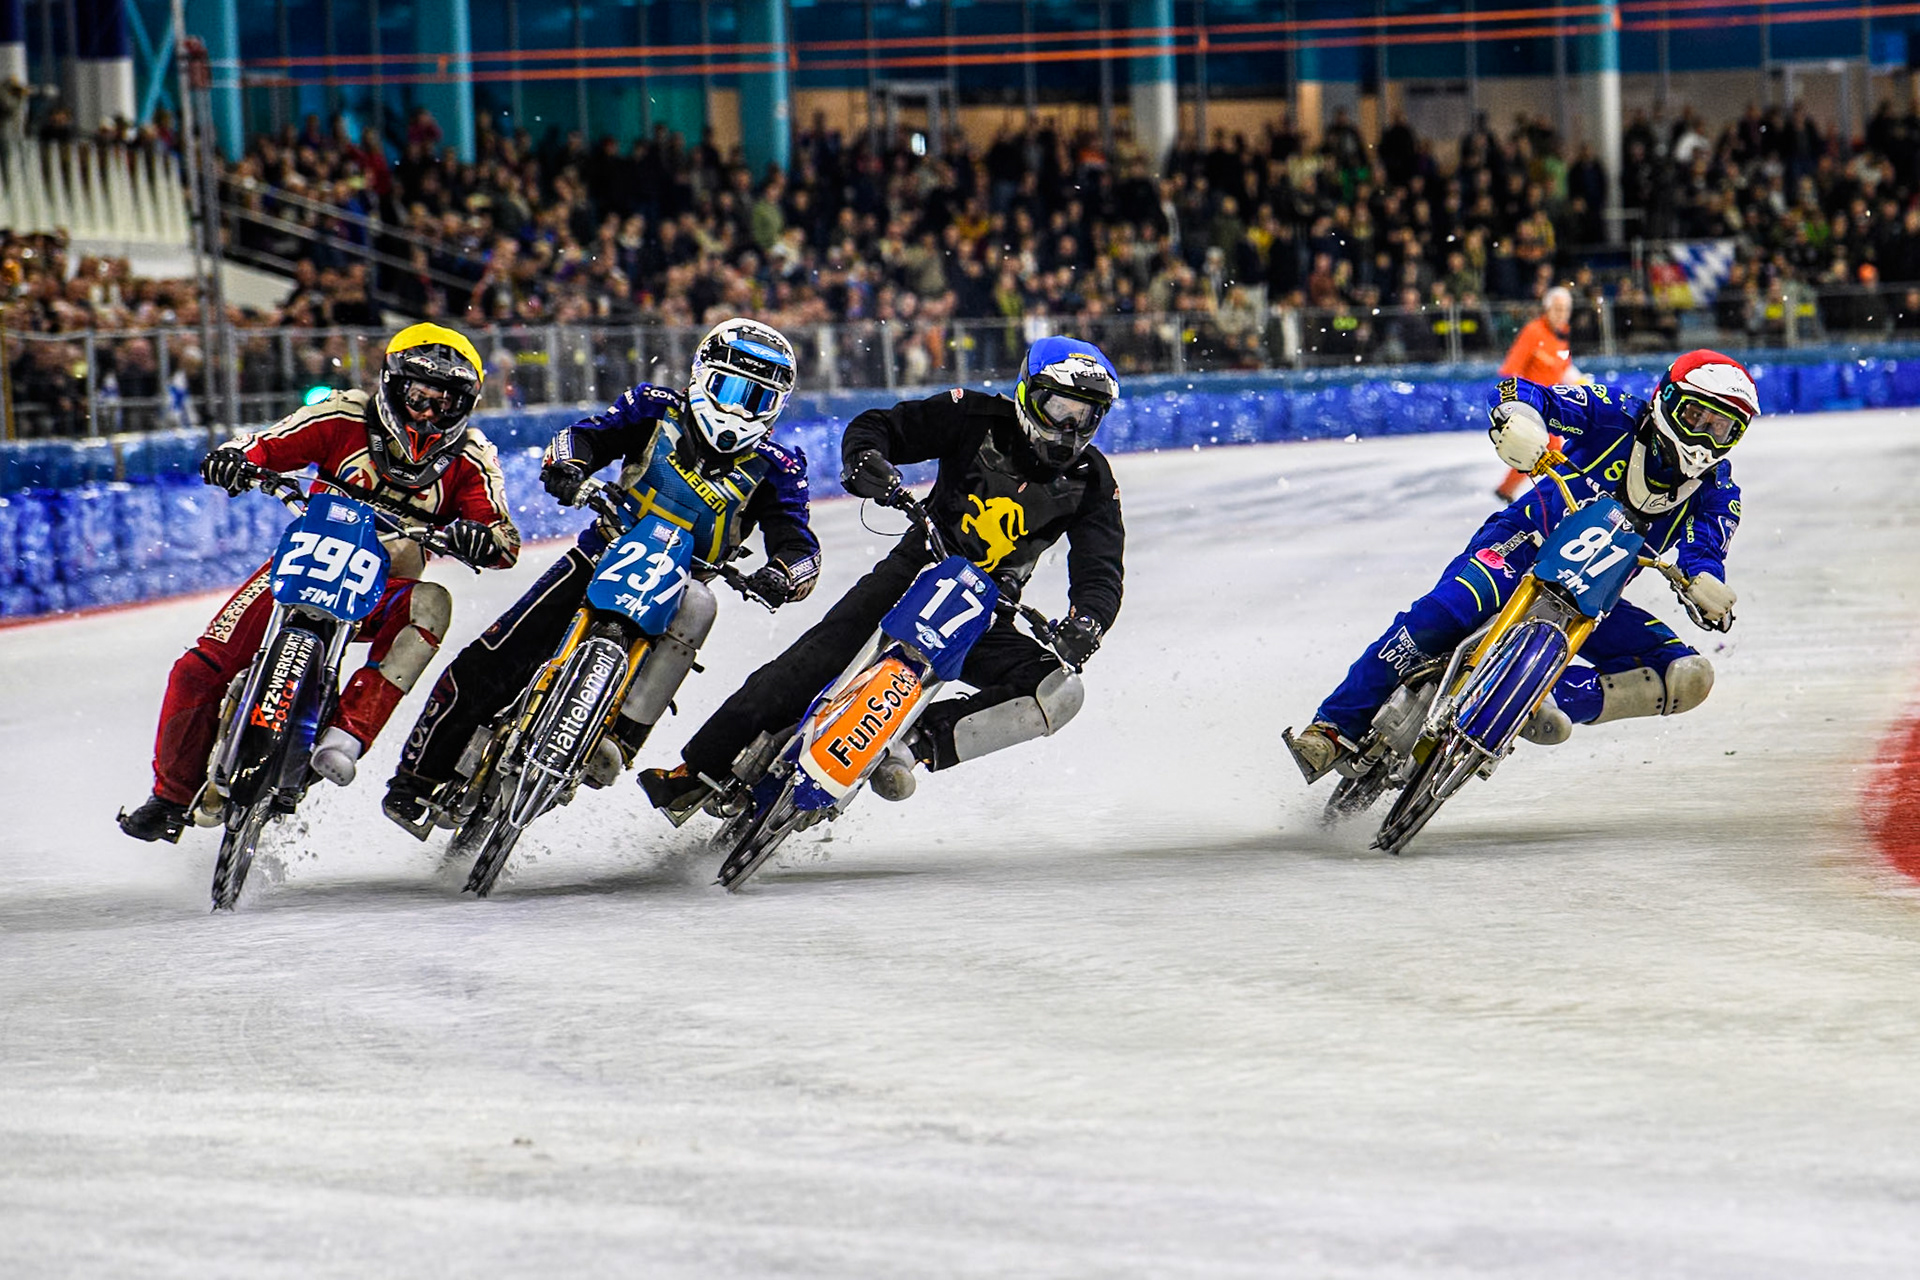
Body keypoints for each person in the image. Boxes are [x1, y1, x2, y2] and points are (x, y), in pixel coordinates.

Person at [639, 335, 1125, 820]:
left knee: (1059, 690)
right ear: (1026, 395)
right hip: (915, 571)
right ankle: (697, 768)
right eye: (1059, 408)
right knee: (810, 664)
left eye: (1084, 416)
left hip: (984, 611)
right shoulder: (973, 415)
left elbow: (1100, 569)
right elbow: (880, 426)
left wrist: (1089, 622)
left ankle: (913, 745)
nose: (1067, 427)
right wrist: (868, 461)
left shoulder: (1095, 482)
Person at [381, 317, 820, 832]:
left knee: (702, 605)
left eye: (758, 399)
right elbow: (586, 437)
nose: (739, 408)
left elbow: (797, 539)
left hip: (685, 583)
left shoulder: (778, 467)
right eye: (730, 388)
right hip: (603, 552)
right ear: (703, 374)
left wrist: (784, 573)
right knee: (491, 660)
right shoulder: (655, 407)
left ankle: (624, 736)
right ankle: (414, 780)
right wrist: (569, 468)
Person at [118, 324, 520, 843]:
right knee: (198, 670)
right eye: (419, 396)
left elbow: (504, 537)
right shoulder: (341, 413)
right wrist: (235, 458)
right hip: (303, 564)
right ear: (393, 385)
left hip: (383, 590)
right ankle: (169, 798)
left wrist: (481, 538)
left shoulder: (472, 456)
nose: (426, 413)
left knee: (433, 604)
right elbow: (262, 444)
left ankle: (346, 738)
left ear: (466, 404)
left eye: (443, 403)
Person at [1287, 350, 1756, 781]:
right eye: (1695, 415)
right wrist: (1520, 420)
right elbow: (1519, 389)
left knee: (1689, 676)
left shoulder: (1718, 492)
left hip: (1592, 599)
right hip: (1519, 547)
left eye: (1721, 428)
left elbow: (1705, 549)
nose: (1703, 437)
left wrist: (1707, 582)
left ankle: (1539, 698)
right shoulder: (1617, 413)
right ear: (1665, 399)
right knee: (1441, 614)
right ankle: (1332, 728)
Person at [1493, 285, 1586, 503]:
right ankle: (1559, 493)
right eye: (1557, 309)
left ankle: (1510, 489)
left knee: (1540, 450)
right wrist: (1514, 403)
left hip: (1550, 403)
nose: (1561, 314)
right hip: (1531, 403)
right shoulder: (1533, 332)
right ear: (1547, 308)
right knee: (1548, 449)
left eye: (1565, 309)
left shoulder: (1561, 335)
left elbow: (1564, 368)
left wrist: (1582, 384)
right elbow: (1511, 367)